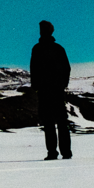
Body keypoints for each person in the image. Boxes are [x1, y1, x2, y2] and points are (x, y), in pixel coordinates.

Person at [30, 19, 72, 160]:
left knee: (52, 122)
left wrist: (36, 86)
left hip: (48, 90)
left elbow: (34, 69)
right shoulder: (56, 48)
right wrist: (62, 85)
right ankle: (62, 152)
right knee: (58, 122)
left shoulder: (39, 49)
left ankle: (55, 152)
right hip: (53, 90)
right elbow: (66, 68)